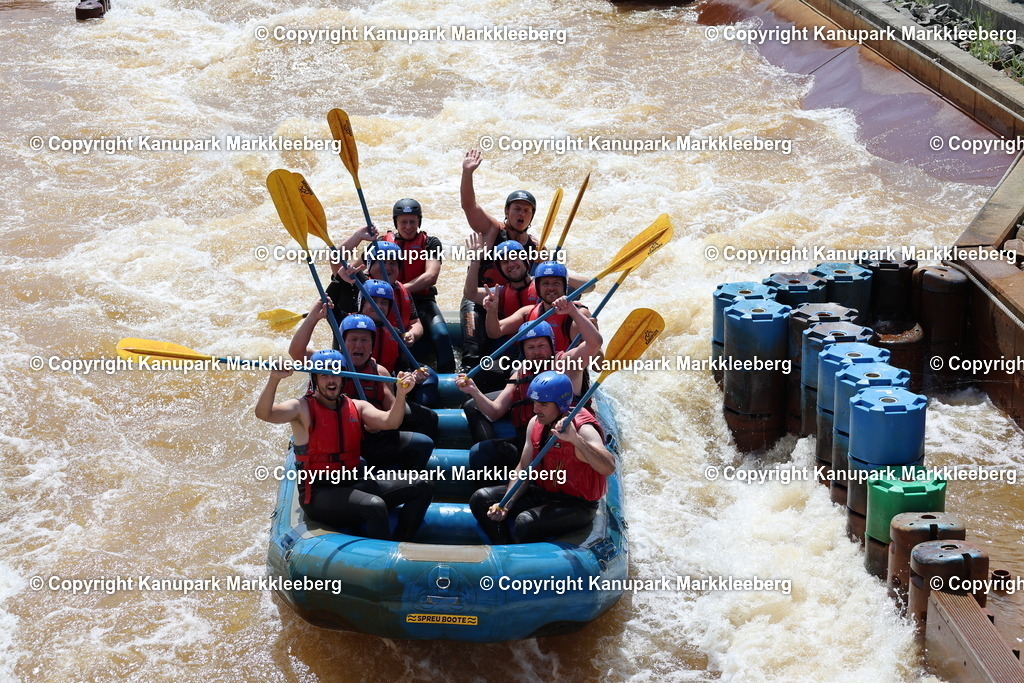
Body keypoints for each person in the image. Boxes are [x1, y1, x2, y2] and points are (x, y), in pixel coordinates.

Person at [254, 351, 433, 541]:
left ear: (343, 377)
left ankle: (400, 542)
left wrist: (401, 395)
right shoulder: (301, 408)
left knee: (423, 485)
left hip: (353, 482)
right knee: (374, 505)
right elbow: (264, 414)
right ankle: (380, 561)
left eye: (335, 373)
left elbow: (391, 422)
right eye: (324, 375)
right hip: (319, 493)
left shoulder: (357, 405)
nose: (331, 380)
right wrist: (274, 379)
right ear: (314, 379)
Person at [455, 300, 602, 483]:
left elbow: (594, 343)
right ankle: (498, 491)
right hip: (531, 440)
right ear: (523, 350)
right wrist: (474, 391)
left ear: (552, 345)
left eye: (542, 345)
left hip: (564, 440)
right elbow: (495, 411)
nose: (537, 352)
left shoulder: (567, 362)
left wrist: (572, 311)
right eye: (530, 347)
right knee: (480, 452)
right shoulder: (520, 372)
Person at [469, 371, 615, 544]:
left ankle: (518, 559)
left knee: (526, 522)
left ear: (561, 404)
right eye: (535, 402)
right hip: (543, 493)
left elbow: (609, 467)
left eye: (543, 404)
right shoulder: (535, 423)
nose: (536, 409)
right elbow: (523, 469)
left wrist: (576, 441)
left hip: (577, 504)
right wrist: (506, 503)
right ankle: (504, 547)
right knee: (481, 498)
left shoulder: (583, 428)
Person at [288, 300, 438, 445]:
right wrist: (313, 316)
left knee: (426, 421)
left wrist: (381, 419)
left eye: (364, 340)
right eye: (353, 339)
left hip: (368, 432)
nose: (359, 345)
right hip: (331, 433)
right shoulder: (326, 364)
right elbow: (296, 352)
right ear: (342, 343)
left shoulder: (379, 373)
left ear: (372, 345)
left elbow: (393, 411)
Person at [381, 199, 455, 373]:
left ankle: (450, 379)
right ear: (396, 223)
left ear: (419, 222)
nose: (408, 226)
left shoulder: (431, 243)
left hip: (423, 302)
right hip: (391, 303)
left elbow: (431, 276)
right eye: (403, 222)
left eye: (412, 222)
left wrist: (400, 289)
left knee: (442, 335)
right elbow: (360, 269)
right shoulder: (382, 244)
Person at [485, 261, 592, 354]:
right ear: (538, 287)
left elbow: (598, 364)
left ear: (565, 286)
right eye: (545, 284)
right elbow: (495, 332)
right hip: (536, 371)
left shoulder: (579, 313)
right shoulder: (528, 312)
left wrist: (588, 337)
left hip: (565, 373)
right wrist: (492, 311)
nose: (551, 288)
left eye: (556, 283)